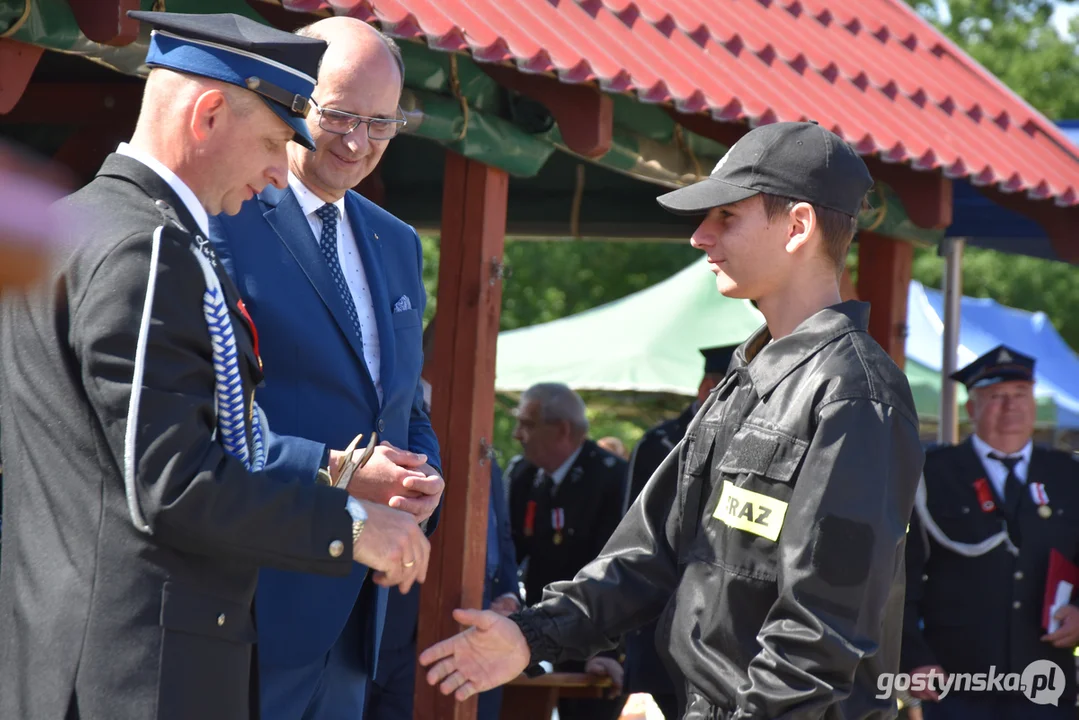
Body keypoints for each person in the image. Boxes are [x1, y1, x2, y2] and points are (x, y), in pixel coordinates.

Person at [0, 11, 430, 720]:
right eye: (270, 142)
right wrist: (350, 523)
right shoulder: (152, 250)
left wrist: (340, 471)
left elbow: (178, 439)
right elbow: (172, 479)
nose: (272, 175)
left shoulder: (78, 226)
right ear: (206, 115)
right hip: (138, 668)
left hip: (82, 654)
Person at [418, 120, 925, 719]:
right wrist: (533, 636)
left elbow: (821, 634)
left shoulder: (854, 394)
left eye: (727, 216)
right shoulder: (746, 380)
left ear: (798, 227)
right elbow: (650, 552)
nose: (700, 237)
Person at [207, 16, 443, 720]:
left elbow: (400, 404)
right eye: (338, 115)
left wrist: (422, 479)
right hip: (249, 600)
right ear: (292, 98)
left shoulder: (395, 242)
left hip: (355, 612)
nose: (356, 142)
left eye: (381, 124)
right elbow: (207, 412)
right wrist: (340, 473)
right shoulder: (228, 213)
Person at [901, 345, 1079, 719]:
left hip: (1047, 684)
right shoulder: (932, 474)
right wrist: (913, 658)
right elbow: (901, 580)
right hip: (956, 684)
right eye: (996, 396)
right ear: (971, 408)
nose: (1011, 406)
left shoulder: (1068, 475)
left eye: (1020, 395)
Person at [620, 344, 739, 720]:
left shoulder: (747, 436)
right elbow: (640, 537)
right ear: (709, 388)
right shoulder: (663, 443)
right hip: (668, 616)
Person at [507, 382, 629, 720]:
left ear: (561, 430)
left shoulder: (614, 479)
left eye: (527, 424)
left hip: (593, 641)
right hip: (535, 633)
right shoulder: (523, 475)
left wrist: (610, 650)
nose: (517, 434)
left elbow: (623, 570)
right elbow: (510, 550)